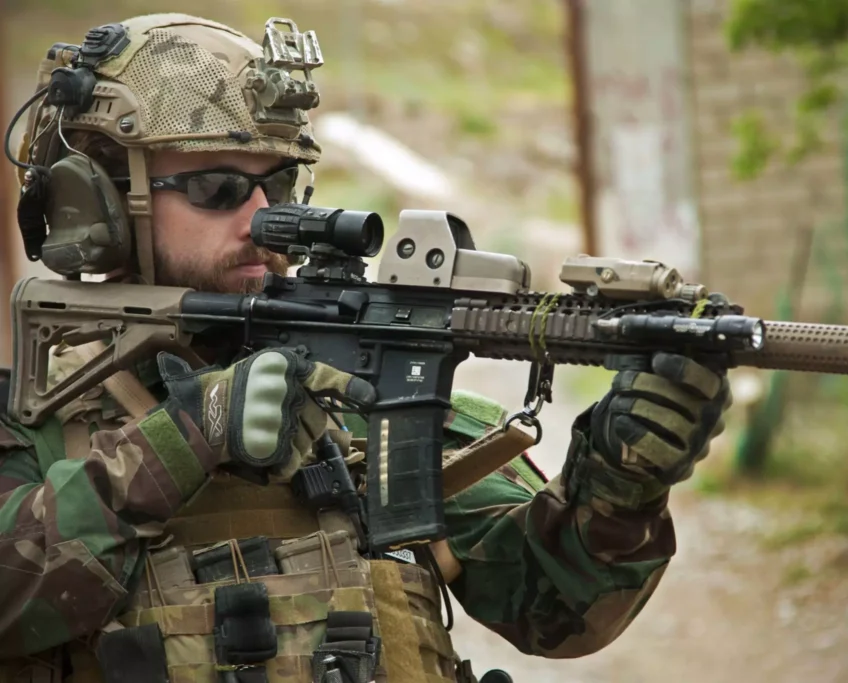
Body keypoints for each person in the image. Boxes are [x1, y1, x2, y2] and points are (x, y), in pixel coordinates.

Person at [0, 13, 733, 683]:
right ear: (95, 200)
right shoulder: (36, 424)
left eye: (280, 183)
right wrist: (186, 437)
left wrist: (620, 483)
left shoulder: (354, 396)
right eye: (220, 187)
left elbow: (551, 611)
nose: (265, 218)